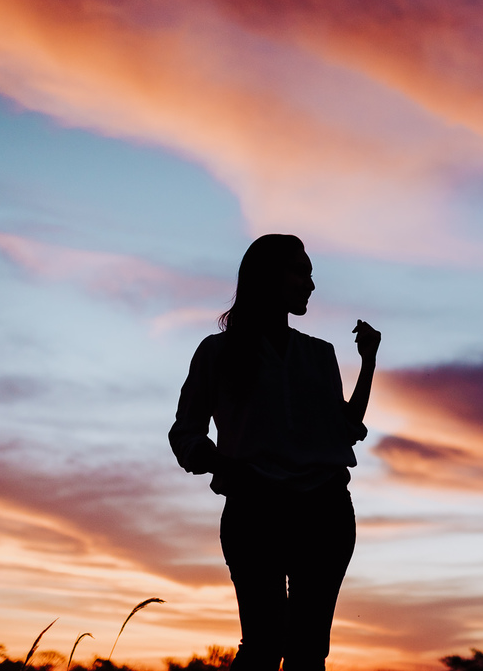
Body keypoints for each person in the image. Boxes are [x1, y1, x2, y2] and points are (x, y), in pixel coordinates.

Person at [169, 234, 380, 671]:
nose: (311, 285)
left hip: (325, 511)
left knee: (308, 653)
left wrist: (369, 362)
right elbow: (186, 433)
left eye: (311, 274)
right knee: (262, 647)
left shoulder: (319, 354)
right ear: (267, 276)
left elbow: (344, 430)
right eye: (300, 272)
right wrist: (227, 466)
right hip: (254, 512)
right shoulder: (217, 352)